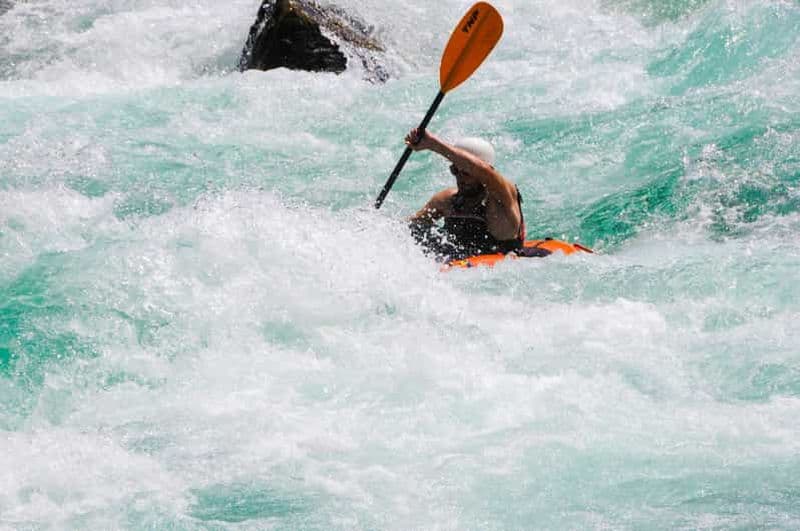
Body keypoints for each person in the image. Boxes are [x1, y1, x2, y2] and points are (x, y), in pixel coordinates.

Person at [405, 127, 526, 261]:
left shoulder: (504, 196)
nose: (460, 178)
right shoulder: (447, 200)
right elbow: (409, 226)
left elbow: (483, 171)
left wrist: (433, 144)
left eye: (467, 172)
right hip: (455, 263)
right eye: (455, 170)